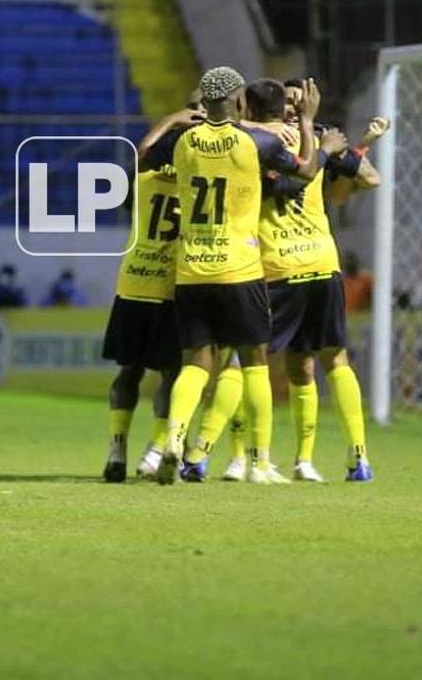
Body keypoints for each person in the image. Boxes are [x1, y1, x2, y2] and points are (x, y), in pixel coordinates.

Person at [182, 78, 380, 483]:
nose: (292, 108)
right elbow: (370, 178)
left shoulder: (252, 143)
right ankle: (348, 458)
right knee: (314, 363)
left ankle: (205, 452)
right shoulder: (316, 137)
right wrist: (344, 148)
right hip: (321, 263)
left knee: (242, 361)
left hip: (273, 268)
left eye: (297, 102)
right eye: (289, 103)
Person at [138, 66, 325, 485]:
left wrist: (172, 118)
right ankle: (258, 463)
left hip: (191, 270)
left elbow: (144, 155)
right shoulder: (257, 141)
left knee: (196, 363)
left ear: (203, 102)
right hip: (239, 267)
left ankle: (173, 437)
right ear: (239, 102)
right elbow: (308, 171)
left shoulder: (183, 141)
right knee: (254, 362)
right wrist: (309, 121)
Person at [100, 165, 182, 482]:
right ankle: (154, 452)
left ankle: (116, 450)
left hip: (133, 284)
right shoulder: (198, 179)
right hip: (172, 289)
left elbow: (123, 194)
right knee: (172, 376)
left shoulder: (141, 180)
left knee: (128, 372)